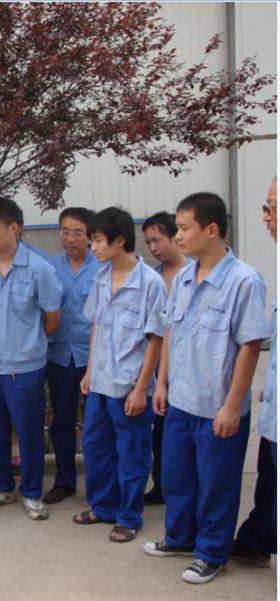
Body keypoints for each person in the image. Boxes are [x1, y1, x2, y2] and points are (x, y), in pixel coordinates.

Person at [143, 192, 271, 584]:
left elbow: (250, 346)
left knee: (217, 483)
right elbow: (170, 330)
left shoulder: (244, 281)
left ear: (211, 230)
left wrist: (232, 406)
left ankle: (212, 552)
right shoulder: (184, 276)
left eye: (184, 228)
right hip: (181, 401)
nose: (178, 236)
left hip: (217, 405)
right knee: (178, 476)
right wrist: (162, 384)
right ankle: (181, 537)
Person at [73, 207, 166, 544]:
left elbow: (156, 338)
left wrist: (141, 389)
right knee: (95, 448)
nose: (93, 247)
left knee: (132, 454)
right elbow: (97, 324)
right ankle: (103, 507)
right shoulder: (101, 277)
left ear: (120, 241)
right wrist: (89, 370)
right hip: (100, 383)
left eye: (98, 240)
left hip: (129, 386)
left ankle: (128, 516)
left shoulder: (150, 284)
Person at [0, 197, 63, 520]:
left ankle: (32, 491)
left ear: (14, 227)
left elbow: (53, 317)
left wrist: (29, 343)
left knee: (29, 431)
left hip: (25, 368)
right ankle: (1, 487)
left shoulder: (39, 268)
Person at [230, 176, 277, 568]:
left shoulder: (245, 280)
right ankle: (256, 542)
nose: (265, 217)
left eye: (271, 208)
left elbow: (250, 344)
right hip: (274, 413)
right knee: (269, 478)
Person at [44, 207, 103, 505]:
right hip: (59, 356)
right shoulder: (50, 266)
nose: (69, 238)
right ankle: (65, 481)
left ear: (90, 235)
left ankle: (99, 486)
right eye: (64, 231)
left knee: (96, 424)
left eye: (77, 232)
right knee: (62, 421)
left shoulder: (102, 266)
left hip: (94, 358)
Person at [141, 211, 192, 505]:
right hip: (158, 367)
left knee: (184, 434)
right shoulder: (152, 277)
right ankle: (161, 486)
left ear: (175, 236)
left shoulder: (195, 273)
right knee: (159, 432)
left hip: (188, 367)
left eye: (158, 240)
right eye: (148, 242)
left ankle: (185, 490)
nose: (153, 248)